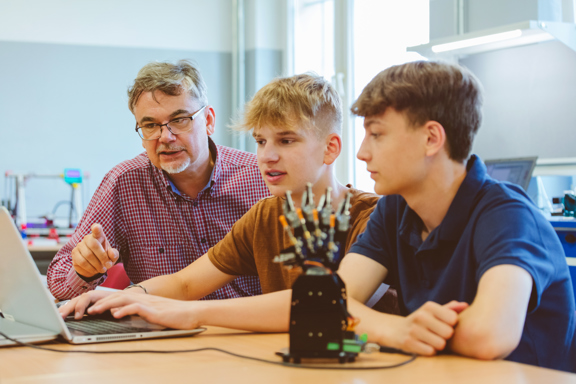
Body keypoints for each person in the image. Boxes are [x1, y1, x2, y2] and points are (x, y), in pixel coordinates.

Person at [59, 73, 394, 327]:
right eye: (261, 142)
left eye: (286, 141)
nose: (268, 156)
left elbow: (324, 304)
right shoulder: (265, 216)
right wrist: (122, 297)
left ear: (330, 148)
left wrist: (188, 312)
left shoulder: (373, 216)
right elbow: (186, 282)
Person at [334, 61, 576, 372]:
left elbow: (489, 335)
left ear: (432, 138)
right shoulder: (394, 208)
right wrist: (396, 330)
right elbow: (327, 305)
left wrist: (379, 325)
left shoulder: (508, 214)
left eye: (377, 134)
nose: (362, 152)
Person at [48, 60, 270, 300]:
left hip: (249, 331)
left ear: (208, 121)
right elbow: (59, 282)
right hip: (163, 334)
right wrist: (85, 270)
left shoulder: (261, 178)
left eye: (179, 120)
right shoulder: (124, 184)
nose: (166, 136)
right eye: (150, 125)